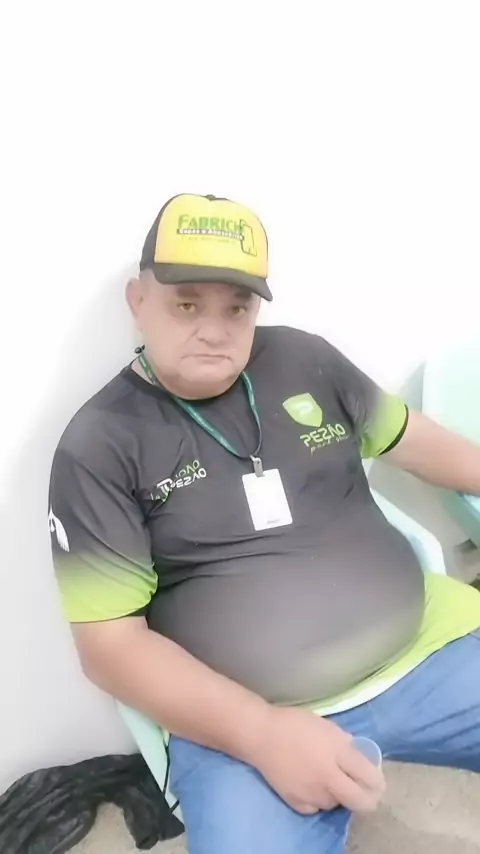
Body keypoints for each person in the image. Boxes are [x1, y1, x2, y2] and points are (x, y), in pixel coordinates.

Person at [49, 193, 480, 854]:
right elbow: (109, 648)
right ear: (138, 302)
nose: (214, 330)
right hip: (243, 717)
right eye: (186, 304)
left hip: (427, 648)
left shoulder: (306, 362)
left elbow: (415, 441)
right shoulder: (100, 444)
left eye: (237, 307)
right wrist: (261, 732)